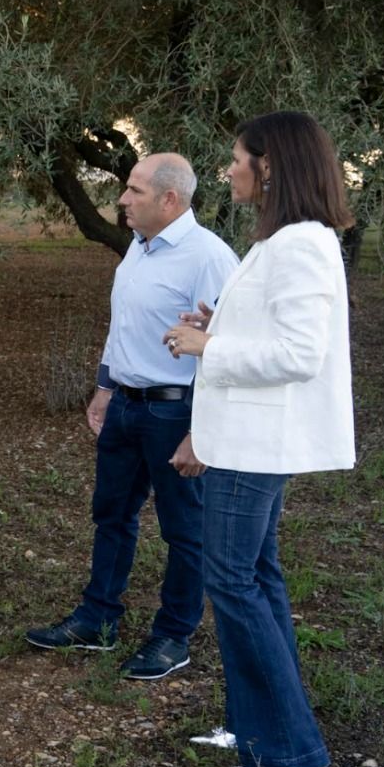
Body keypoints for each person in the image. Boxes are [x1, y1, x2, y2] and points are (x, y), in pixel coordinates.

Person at [164, 110, 355, 767]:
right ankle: (254, 724)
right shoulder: (283, 240)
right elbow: (272, 330)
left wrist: (209, 345)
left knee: (233, 582)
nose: (228, 170)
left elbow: (300, 354)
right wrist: (219, 324)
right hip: (247, 438)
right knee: (256, 578)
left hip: (255, 444)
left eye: (236, 158)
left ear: (268, 165)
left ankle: (288, 749)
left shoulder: (301, 243)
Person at [24, 154, 238, 679]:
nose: (122, 199)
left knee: (184, 530)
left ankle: (173, 636)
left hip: (175, 412)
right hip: (125, 406)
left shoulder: (208, 258)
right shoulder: (138, 249)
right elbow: (122, 326)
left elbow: (224, 351)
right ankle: (98, 619)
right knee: (111, 515)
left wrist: (202, 431)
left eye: (135, 190)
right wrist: (104, 388)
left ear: (170, 199)